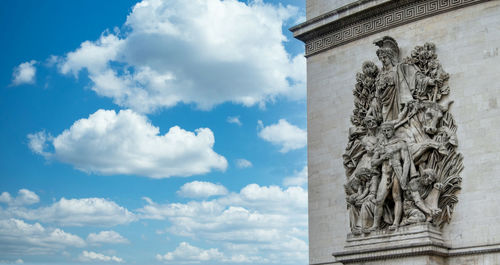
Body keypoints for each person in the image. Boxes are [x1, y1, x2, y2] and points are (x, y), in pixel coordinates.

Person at [367, 121, 417, 231]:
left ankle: (396, 223)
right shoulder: (380, 146)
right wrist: (382, 158)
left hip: (397, 173)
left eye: (388, 130)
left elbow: (407, 161)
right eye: (384, 131)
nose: (386, 133)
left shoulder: (400, 143)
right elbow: (373, 163)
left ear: (392, 130)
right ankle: (375, 225)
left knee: (397, 197)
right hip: (385, 174)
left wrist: (404, 177)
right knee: (379, 200)